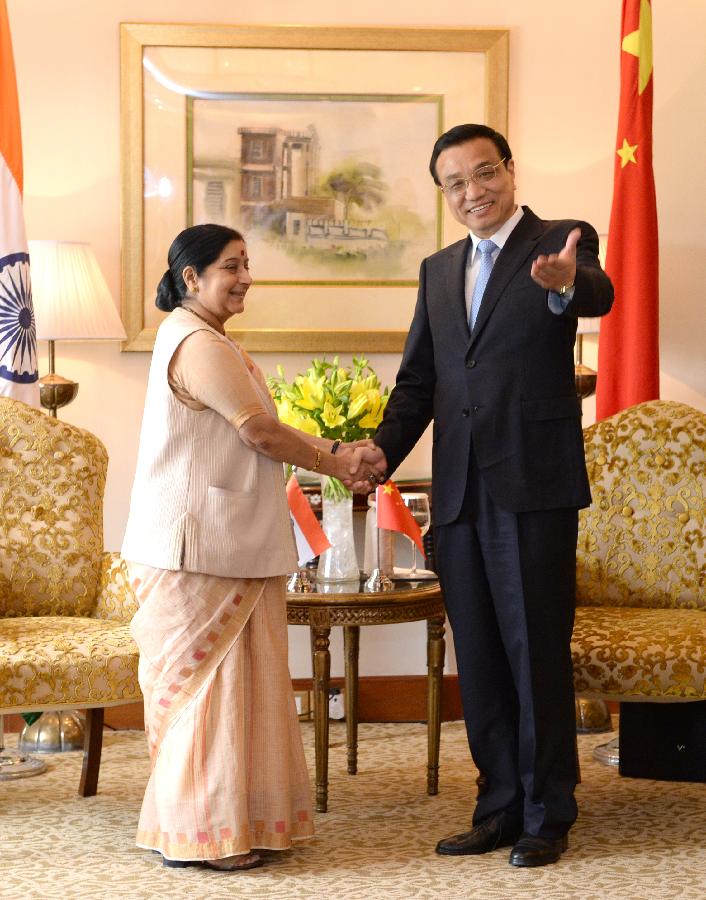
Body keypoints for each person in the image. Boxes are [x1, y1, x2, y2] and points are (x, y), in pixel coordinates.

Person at [363, 124, 614, 867]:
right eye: (456, 183)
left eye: (484, 174)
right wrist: (380, 451)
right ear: (444, 193)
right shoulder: (438, 270)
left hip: (534, 484)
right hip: (461, 488)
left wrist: (565, 283)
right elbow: (419, 383)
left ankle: (548, 814)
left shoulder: (561, 241)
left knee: (535, 650)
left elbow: (595, 293)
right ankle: (498, 805)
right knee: (478, 654)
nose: (473, 192)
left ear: (509, 169)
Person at [121, 223, 377, 872]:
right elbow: (259, 432)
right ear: (191, 278)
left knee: (240, 690)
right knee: (208, 696)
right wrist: (338, 457)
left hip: (224, 544)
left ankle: (238, 823)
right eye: (231, 266)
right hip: (197, 548)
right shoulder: (195, 340)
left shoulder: (206, 338)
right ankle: (205, 834)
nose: (245, 278)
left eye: (247, 264)